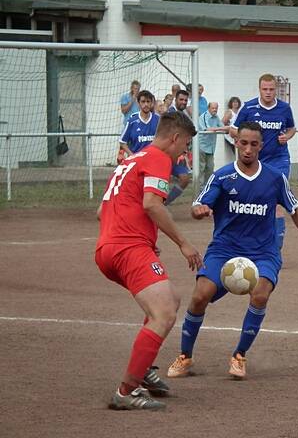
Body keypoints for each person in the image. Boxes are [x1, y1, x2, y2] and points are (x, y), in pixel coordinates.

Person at [167, 121, 298, 381]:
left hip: (263, 252)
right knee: (199, 296)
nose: (248, 149)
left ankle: (239, 355)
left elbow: (295, 208)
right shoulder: (222, 176)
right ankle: (185, 356)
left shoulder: (275, 177)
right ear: (236, 143)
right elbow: (198, 205)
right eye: (243, 143)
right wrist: (199, 211)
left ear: (261, 146)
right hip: (224, 249)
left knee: (261, 294)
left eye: (253, 144)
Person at [95, 111, 202, 411]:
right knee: (164, 313)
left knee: (170, 298)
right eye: (185, 146)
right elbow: (152, 204)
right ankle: (126, 391)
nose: (184, 153)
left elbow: (102, 213)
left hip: (108, 248)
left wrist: (138, 240)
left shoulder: (129, 162)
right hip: (127, 248)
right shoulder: (158, 158)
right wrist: (183, 243)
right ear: (174, 138)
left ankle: (143, 371)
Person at [230, 74, 296, 251]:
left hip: (279, 160)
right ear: (259, 89)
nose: (268, 93)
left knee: (275, 201)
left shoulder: (284, 108)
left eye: (271, 89)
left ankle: (275, 246)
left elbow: (292, 129)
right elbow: (233, 130)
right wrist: (245, 141)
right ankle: (253, 240)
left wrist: (286, 137)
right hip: (255, 162)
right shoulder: (249, 107)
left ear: (276, 90)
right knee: (252, 200)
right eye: (264, 89)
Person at [166, 89, 193, 204]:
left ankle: (164, 203)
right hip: (166, 154)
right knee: (161, 181)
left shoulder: (184, 114)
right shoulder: (170, 113)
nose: (183, 102)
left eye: (185, 100)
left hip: (178, 155)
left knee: (184, 179)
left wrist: (184, 152)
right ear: (175, 100)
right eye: (181, 99)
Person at [119, 90, 159, 160]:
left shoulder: (158, 119)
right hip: (137, 161)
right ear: (138, 103)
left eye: (148, 101)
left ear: (151, 103)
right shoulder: (132, 120)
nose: (146, 104)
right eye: (143, 102)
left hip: (153, 160)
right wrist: (132, 156)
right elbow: (122, 142)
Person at [197, 102, 228, 187]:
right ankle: (200, 188)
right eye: (213, 108)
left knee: (210, 167)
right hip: (202, 146)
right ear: (209, 108)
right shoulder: (203, 116)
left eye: (216, 108)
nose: (215, 110)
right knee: (201, 168)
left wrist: (226, 128)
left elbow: (223, 127)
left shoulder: (216, 117)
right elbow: (208, 129)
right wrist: (221, 128)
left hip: (211, 147)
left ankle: (208, 186)